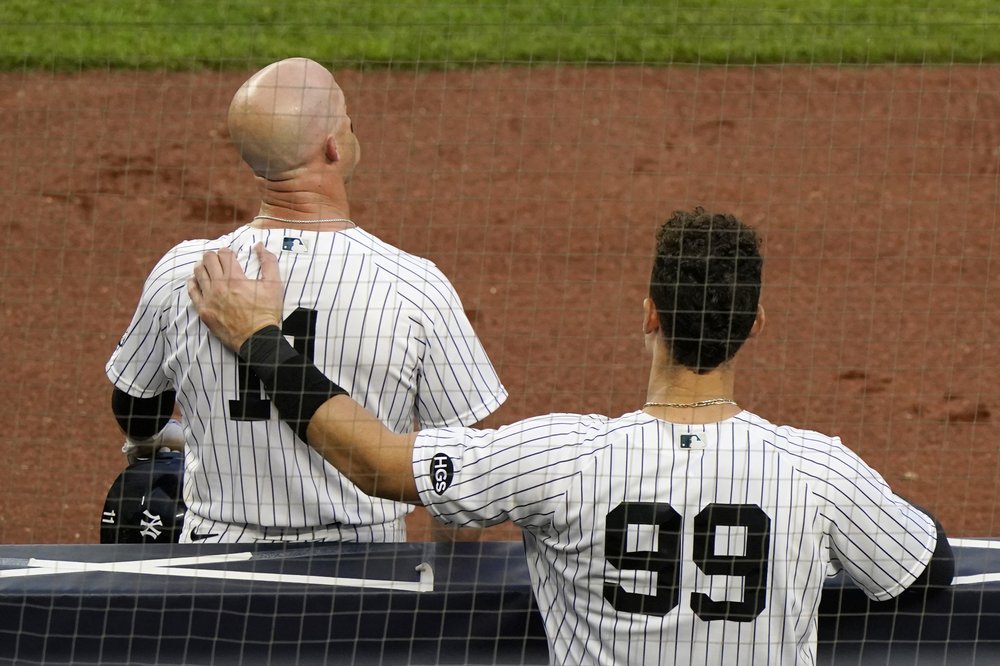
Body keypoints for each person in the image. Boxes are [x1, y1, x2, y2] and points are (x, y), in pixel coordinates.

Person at [187, 207, 954, 664]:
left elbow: (378, 463)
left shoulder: (560, 459)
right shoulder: (819, 470)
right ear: (752, 328)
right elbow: (927, 570)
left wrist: (260, 336)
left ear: (649, 313)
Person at [106, 57, 507, 544]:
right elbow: (459, 477)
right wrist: (437, 595)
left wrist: (180, 439)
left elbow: (137, 415)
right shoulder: (414, 286)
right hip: (363, 577)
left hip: (211, 571)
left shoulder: (186, 273)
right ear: (335, 147)